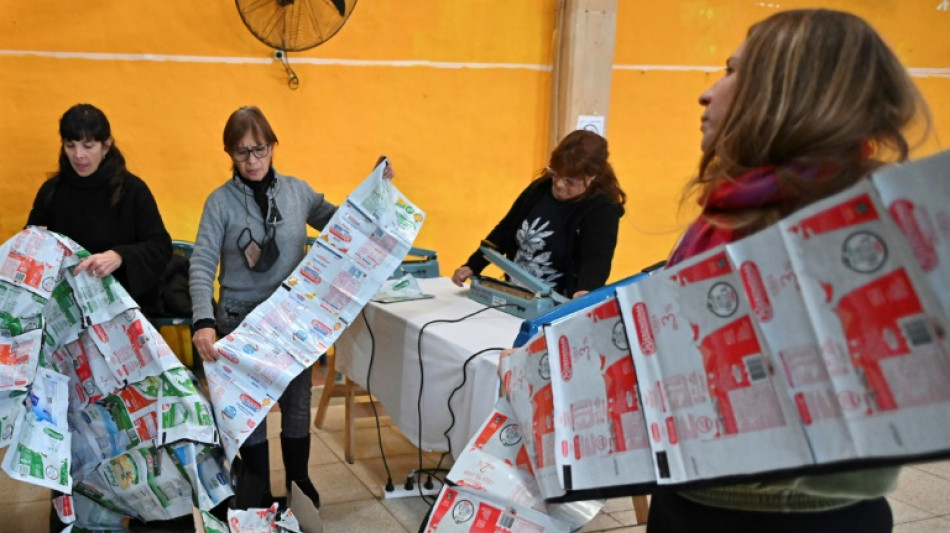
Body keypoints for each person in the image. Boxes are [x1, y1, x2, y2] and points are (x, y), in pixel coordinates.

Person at [648, 9, 931, 533]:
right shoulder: (731, 210)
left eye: (734, 72)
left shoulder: (869, 226)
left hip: (800, 520)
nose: (708, 93)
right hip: (689, 500)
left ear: (790, 93)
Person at [189, 105, 392, 510]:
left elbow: (344, 224)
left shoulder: (298, 192)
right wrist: (203, 321)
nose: (252, 161)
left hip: (292, 321)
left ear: (273, 146)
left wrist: (377, 191)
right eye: (241, 152)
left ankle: (300, 480)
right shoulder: (219, 203)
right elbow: (201, 262)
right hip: (239, 321)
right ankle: (261, 488)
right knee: (252, 413)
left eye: (259, 150)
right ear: (229, 153)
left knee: (298, 403)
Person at [27, 103, 172, 316]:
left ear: (106, 146)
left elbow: (160, 247)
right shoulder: (52, 192)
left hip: (124, 306)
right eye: (70, 145)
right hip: (66, 309)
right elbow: (29, 250)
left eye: (88, 146)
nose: (78, 155)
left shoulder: (132, 190)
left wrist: (119, 256)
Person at [451, 130, 626, 299]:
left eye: (569, 181)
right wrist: (473, 264)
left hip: (556, 302)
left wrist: (586, 291)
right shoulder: (540, 189)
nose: (558, 184)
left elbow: (597, 260)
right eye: (555, 174)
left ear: (592, 176)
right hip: (516, 292)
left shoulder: (602, 209)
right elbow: (504, 231)